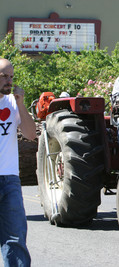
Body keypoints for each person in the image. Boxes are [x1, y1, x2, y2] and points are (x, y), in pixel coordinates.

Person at [0, 58, 36, 266]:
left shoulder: (13, 103)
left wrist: (21, 104)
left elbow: (31, 135)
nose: (9, 81)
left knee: (15, 239)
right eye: (4, 76)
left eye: (11, 77)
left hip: (10, 179)